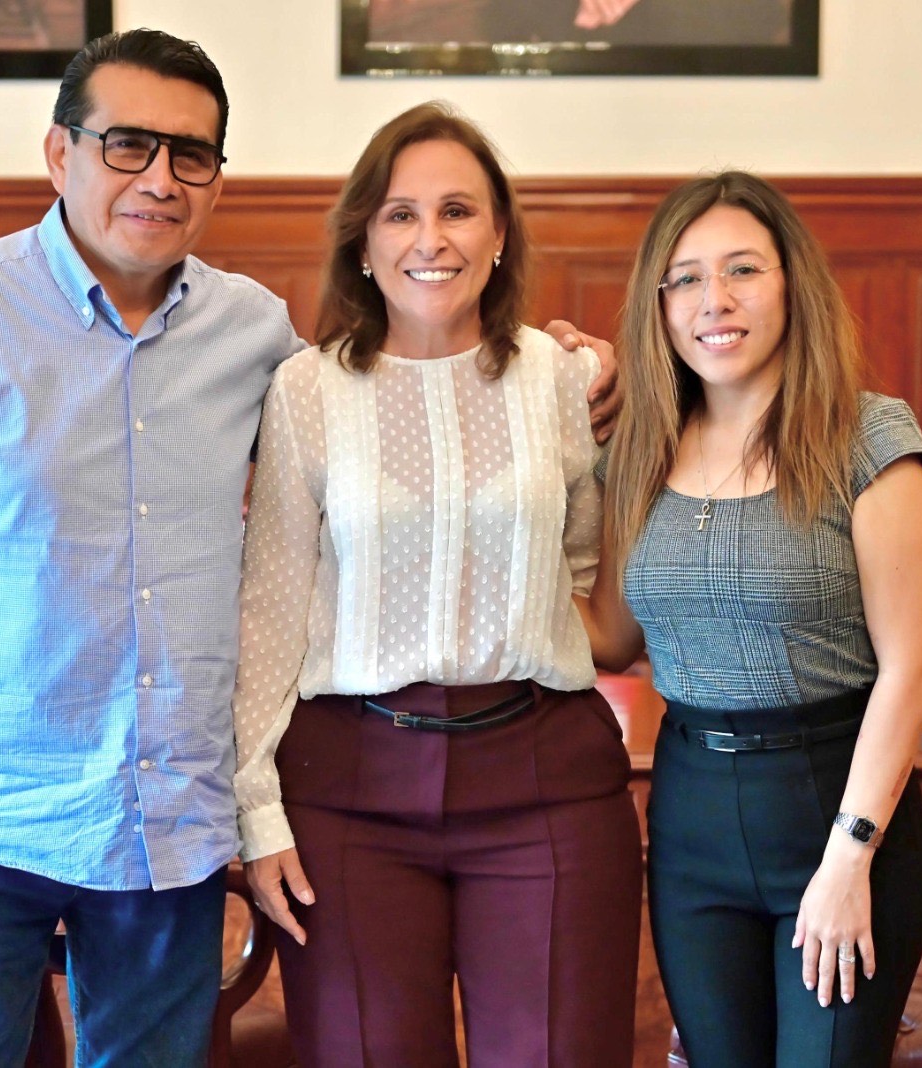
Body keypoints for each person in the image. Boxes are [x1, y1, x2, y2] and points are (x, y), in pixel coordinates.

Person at [0, 29, 619, 1066]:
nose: (160, 178)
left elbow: (392, 420)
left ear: (217, 178)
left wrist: (566, 369)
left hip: (165, 835)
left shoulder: (254, 335)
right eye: (127, 145)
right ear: (59, 152)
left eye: (190, 154)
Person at [233, 102, 643, 1068]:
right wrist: (257, 813)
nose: (431, 239)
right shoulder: (306, 391)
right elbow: (269, 618)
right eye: (400, 214)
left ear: (499, 236)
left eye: (457, 210)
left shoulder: (564, 378)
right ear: (363, 243)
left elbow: (583, 572)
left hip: (545, 778)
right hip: (348, 789)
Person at [579, 171, 922, 1068]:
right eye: (687, 278)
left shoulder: (867, 438)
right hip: (691, 817)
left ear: (792, 284)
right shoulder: (637, 449)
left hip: (836, 808)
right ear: (660, 305)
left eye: (743, 269)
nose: (716, 299)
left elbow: (913, 666)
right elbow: (611, 637)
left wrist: (850, 857)